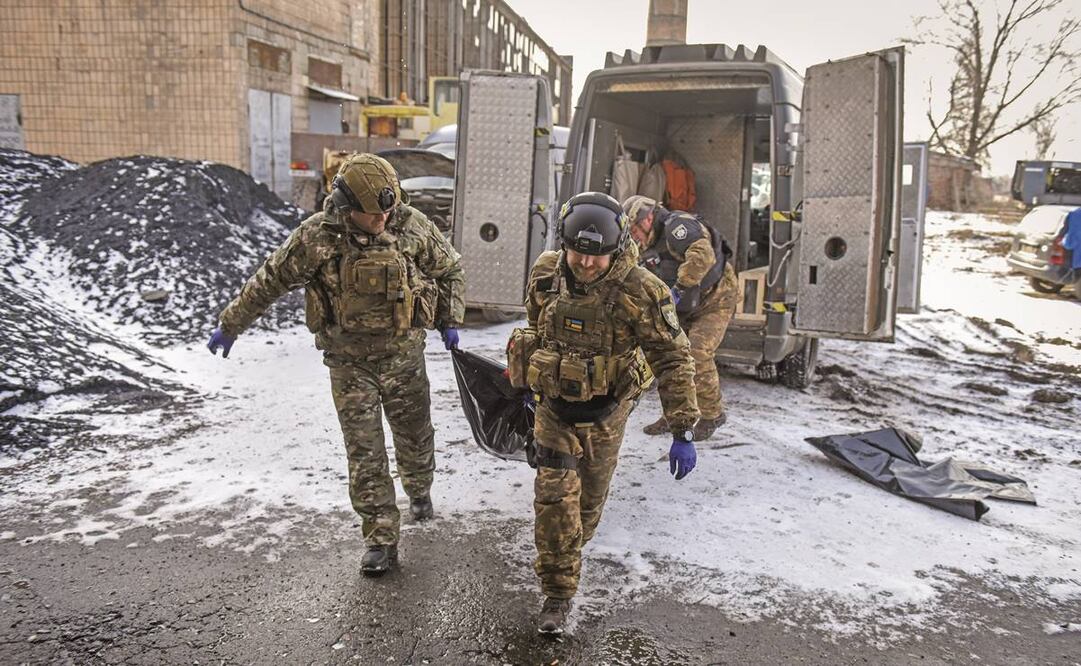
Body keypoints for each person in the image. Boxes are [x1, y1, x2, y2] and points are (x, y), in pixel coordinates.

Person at [206, 153, 465, 575]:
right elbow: (269, 280)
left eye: (387, 209)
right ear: (346, 206)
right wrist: (230, 324)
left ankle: (420, 488)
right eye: (373, 213)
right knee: (364, 451)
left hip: (404, 358)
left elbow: (450, 268)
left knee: (415, 437)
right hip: (349, 364)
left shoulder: (408, 224)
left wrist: (450, 319)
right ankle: (380, 536)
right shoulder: (317, 239)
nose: (383, 218)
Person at [506, 192, 699, 635]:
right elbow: (536, 326)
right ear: (565, 242)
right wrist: (526, 375)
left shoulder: (641, 290)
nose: (587, 264)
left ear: (617, 248)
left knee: (586, 507)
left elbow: (673, 358)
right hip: (553, 409)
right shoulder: (545, 273)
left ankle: (572, 548)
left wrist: (682, 427)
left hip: (607, 414)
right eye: (578, 252)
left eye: (598, 256)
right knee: (554, 499)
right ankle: (557, 595)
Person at [621, 195, 739, 441]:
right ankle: (675, 415)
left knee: (697, 353)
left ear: (649, 218)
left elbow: (702, 254)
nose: (634, 235)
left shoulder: (677, 227)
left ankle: (712, 415)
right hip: (683, 306)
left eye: (634, 228)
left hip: (716, 299)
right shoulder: (643, 245)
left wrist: (680, 287)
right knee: (670, 356)